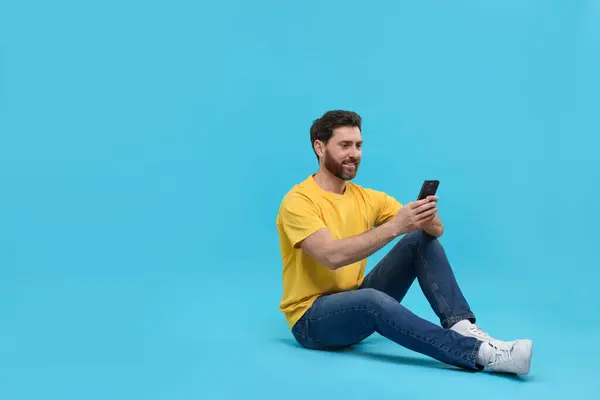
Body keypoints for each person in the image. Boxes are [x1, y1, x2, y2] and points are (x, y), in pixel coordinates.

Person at [275, 110, 533, 375]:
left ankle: (462, 327)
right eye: (344, 145)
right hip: (313, 322)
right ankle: (483, 354)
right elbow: (331, 256)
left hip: (354, 306)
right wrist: (396, 225)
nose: (354, 153)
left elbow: (435, 231)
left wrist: (425, 216)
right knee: (370, 300)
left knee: (417, 239)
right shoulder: (298, 201)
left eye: (358, 145)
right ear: (319, 147)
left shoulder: (366, 197)